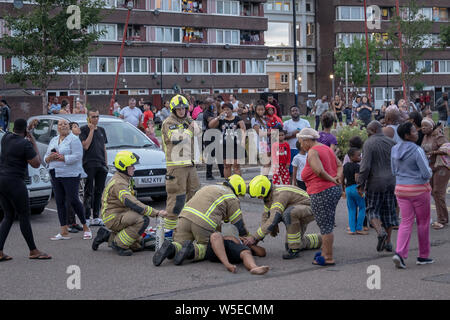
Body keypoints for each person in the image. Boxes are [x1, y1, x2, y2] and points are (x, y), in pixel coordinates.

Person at [152, 175, 249, 266]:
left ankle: (172, 248)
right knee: (209, 247)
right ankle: (192, 250)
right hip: (203, 223)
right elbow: (238, 224)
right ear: (238, 191)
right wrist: (247, 238)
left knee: (180, 243)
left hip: (184, 217)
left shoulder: (210, 187)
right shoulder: (232, 198)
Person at [92, 151, 167, 256]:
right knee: (142, 220)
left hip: (120, 213)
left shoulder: (124, 178)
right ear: (124, 167)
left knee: (138, 245)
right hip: (113, 217)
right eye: (131, 166)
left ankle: (107, 236)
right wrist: (156, 213)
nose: (134, 168)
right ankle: (119, 244)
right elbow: (132, 203)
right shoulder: (119, 183)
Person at [0, 119, 51, 261]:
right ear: (25, 131)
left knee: (8, 215)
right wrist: (33, 141)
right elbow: (36, 163)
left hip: (2, 180)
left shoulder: (6, 138)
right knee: (24, 215)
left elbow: (18, 133)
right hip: (15, 182)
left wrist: (26, 131)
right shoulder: (25, 144)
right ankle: (33, 250)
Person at [245, 175, 322, 259]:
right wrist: (257, 239)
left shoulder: (279, 195)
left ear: (264, 191)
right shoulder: (269, 197)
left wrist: (254, 237)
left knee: (289, 214)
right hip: (298, 208)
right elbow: (266, 217)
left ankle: (294, 250)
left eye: (259, 196)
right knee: (290, 244)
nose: (259, 198)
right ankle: (322, 239)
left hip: (310, 208)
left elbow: (273, 219)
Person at [391, 122, 433, 269]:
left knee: (406, 222)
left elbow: (393, 170)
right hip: (419, 189)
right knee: (423, 222)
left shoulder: (394, 149)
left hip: (401, 189)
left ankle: (400, 253)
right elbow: (426, 173)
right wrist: (428, 173)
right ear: (407, 135)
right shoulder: (417, 150)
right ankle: (423, 255)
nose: (417, 132)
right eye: (414, 131)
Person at [298, 128, 342, 266]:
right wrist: (337, 178)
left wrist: (332, 179)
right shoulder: (326, 148)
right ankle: (325, 252)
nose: (300, 145)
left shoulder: (313, 151)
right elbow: (340, 165)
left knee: (325, 226)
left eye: (300, 141)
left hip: (322, 191)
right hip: (332, 190)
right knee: (327, 223)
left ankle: (327, 257)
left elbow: (319, 171)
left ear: (306, 140)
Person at [161, 94, 201, 240]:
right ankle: (168, 234)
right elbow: (177, 139)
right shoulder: (168, 122)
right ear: (173, 110)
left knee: (195, 198)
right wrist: (189, 129)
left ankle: (188, 229)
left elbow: (198, 131)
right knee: (176, 201)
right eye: (179, 109)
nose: (182, 111)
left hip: (190, 165)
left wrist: (190, 121)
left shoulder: (187, 120)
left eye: (184, 108)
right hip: (176, 167)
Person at [44, 119, 92, 240]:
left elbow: (77, 156)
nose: (63, 126)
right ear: (57, 128)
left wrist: (62, 158)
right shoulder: (54, 140)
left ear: (69, 127)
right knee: (59, 201)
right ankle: (64, 231)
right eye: (60, 124)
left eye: (65, 124)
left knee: (73, 199)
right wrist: (49, 157)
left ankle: (86, 227)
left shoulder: (74, 139)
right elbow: (45, 156)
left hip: (70, 173)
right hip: (55, 172)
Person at [358, 121, 397, 253]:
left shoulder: (369, 143)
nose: (367, 133)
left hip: (375, 182)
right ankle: (389, 242)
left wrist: (360, 184)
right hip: (392, 182)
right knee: (389, 212)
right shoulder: (392, 142)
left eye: (368, 131)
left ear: (373, 130)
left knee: (372, 210)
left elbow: (365, 167)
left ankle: (380, 232)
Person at [79, 110, 108, 227]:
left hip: (101, 164)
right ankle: (86, 217)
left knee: (99, 192)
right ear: (88, 118)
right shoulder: (84, 130)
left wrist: (105, 163)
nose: (96, 119)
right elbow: (85, 145)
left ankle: (96, 217)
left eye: (97, 116)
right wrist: (91, 130)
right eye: (93, 117)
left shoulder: (102, 130)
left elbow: (104, 147)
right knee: (88, 191)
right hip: (89, 164)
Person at [421, 118, 449, 230]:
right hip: (431, 167)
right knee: (433, 192)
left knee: (438, 192)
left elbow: (448, 148)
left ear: (432, 127)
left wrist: (434, 152)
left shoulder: (438, 136)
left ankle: (442, 219)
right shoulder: (425, 137)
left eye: (425, 126)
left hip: (442, 167)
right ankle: (442, 217)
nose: (423, 128)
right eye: (422, 126)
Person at [208, 103, 246, 179]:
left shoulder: (237, 118)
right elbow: (210, 125)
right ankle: (228, 183)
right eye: (224, 110)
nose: (226, 111)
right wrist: (218, 117)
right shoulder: (221, 119)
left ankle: (238, 183)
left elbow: (243, 129)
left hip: (236, 144)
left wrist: (243, 141)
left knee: (236, 165)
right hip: (224, 145)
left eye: (228, 109)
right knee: (227, 165)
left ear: (232, 110)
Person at [67, 122, 86, 233]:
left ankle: (73, 222)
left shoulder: (77, 140)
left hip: (78, 172)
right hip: (70, 173)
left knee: (76, 198)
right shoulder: (70, 141)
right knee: (70, 198)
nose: (78, 128)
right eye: (74, 126)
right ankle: (68, 223)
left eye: (77, 126)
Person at [343, 148, 367, 235]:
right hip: (356, 188)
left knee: (351, 209)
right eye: (358, 155)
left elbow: (342, 178)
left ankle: (352, 229)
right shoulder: (357, 166)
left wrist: (343, 189)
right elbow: (357, 179)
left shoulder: (345, 166)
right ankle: (359, 228)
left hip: (348, 188)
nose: (360, 157)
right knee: (362, 208)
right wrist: (361, 188)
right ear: (351, 157)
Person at [283, 105, 310, 183]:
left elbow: (310, 134)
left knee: (304, 169)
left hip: (303, 149)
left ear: (299, 111)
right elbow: (283, 136)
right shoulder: (286, 123)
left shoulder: (305, 122)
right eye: (293, 111)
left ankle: (303, 186)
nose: (295, 112)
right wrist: (292, 134)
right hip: (290, 149)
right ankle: (292, 186)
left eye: (296, 110)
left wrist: (301, 134)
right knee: (291, 171)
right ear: (290, 113)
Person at [203, 97, 224, 180]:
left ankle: (223, 173)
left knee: (219, 156)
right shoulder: (206, 113)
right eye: (210, 103)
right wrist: (217, 116)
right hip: (209, 136)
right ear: (206, 104)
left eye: (213, 102)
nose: (212, 104)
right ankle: (208, 175)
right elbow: (212, 122)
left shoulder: (215, 112)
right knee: (211, 156)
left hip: (217, 135)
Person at [251, 100, 271, 176]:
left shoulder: (265, 119)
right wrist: (271, 132)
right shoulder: (254, 120)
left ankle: (265, 178)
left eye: (262, 109)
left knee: (268, 163)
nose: (261, 111)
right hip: (261, 144)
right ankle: (264, 179)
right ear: (256, 110)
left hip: (267, 142)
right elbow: (260, 133)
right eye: (258, 110)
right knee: (266, 163)